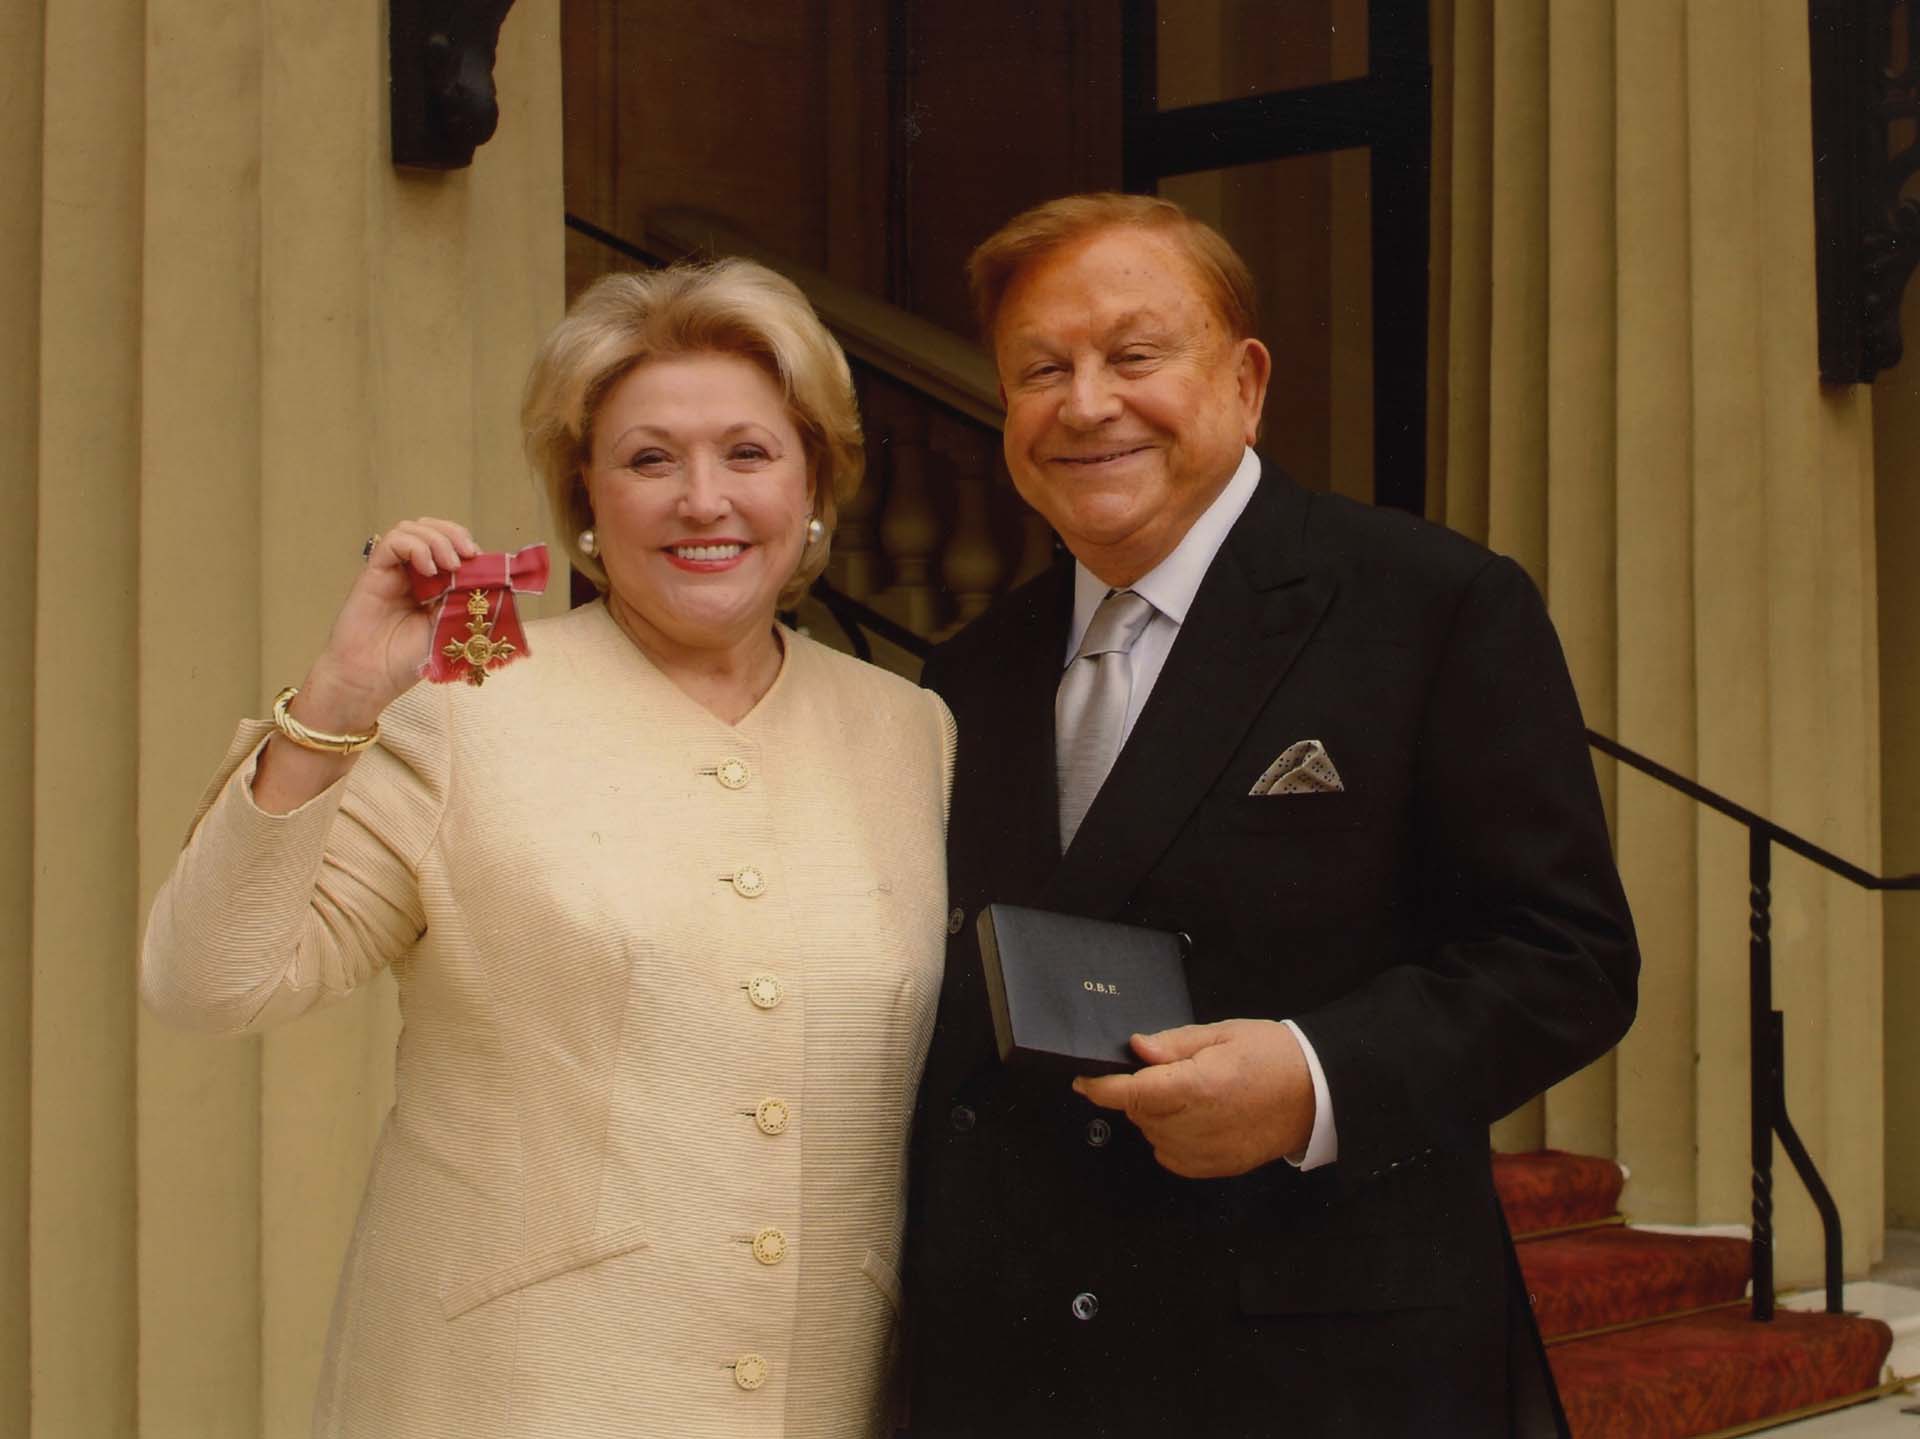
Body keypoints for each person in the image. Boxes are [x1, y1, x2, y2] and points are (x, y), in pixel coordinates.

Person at [142, 258, 954, 1439]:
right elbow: (208, 980)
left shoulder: (910, 729)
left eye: (748, 452)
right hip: (508, 1395)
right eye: (647, 459)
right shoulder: (466, 704)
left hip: (818, 1398)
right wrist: (337, 697)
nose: (702, 498)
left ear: (815, 481)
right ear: (583, 497)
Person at [905, 193, 1638, 1436]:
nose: (1087, 402)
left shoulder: (1430, 604)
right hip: (1027, 1373)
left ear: (1245, 382)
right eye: (1043, 368)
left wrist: (1313, 1077)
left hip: (1323, 1369)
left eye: (1135, 355)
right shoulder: (967, 672)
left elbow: (1567, 959)